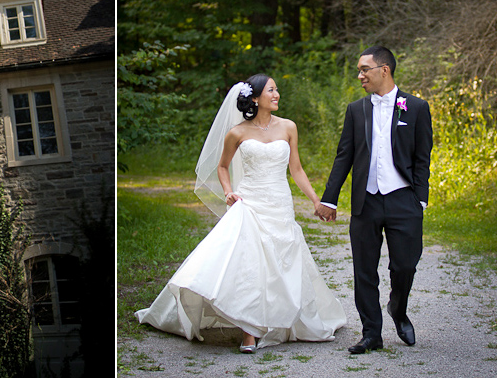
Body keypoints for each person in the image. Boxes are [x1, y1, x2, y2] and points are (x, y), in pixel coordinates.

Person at [136, 75, 346, 353]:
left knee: (281, 262)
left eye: (277, 89)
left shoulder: (289, 127)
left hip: (280, 203)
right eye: (272, 90)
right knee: (251, 264)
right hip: (250, 202)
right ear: (255, 98)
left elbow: (296, 169)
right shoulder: (237, 132)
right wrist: (228, 192)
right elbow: (223, 167)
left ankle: (281, 318)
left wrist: (316, 200)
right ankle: (249, 331)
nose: (278, 94)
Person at [315, 46, 432, 354]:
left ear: (384, 70)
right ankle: (372, 333)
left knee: (405, 266)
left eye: (364, 69)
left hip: (404, 200)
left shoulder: (416, 108)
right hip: (365, 202)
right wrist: (330, 198)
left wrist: (421, 200)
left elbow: (422, 158)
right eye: (358, 69)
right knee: (364, 270)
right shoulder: (356, 109)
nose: (359, 75)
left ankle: (398, 308)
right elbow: (344, 156)